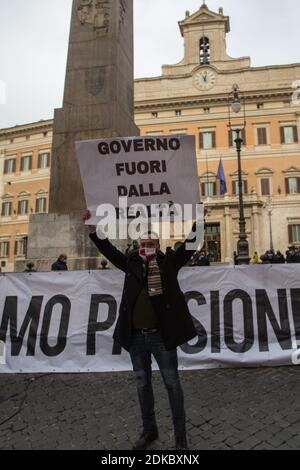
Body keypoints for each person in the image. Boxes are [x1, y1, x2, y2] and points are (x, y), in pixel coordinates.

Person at [84, 211, 199, 451]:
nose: (146, 247)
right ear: (138, 246)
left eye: (151, 244)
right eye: (143, 244)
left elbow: (190, 246)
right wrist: (94, 231)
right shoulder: (130, 263)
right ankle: (149, 430)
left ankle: (181, 438)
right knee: (142, 384)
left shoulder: (168, 263)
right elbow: (109, 250)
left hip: (161, 336)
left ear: (158, 245)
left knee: (172, 384)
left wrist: (201, 220)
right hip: (136, 337)